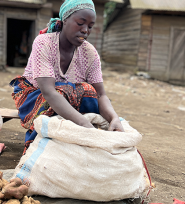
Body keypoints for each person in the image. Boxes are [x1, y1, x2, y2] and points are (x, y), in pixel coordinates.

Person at [10, 0, 124, 155]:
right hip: (34, 94)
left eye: (90, 26)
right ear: (65, 20)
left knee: (89, 92)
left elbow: (101, 94)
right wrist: (84, 123)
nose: (85, 30)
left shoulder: (89, 53)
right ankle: (36, 151)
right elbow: (49, 92)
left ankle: (86, 146)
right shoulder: (44, 43)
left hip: (68, 97)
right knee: (64, 92)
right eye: (80, 23)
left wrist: (114, 119)